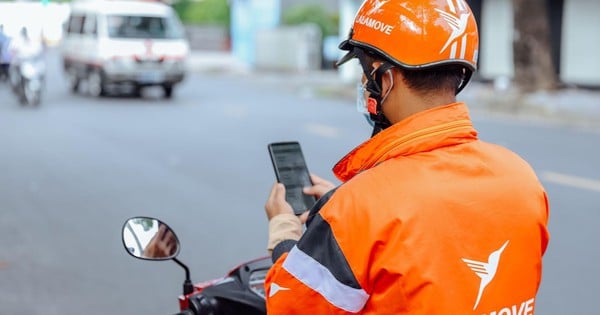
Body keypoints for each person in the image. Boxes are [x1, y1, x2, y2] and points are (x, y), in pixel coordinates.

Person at [263, 0, 550, 314]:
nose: (362, 84)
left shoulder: (358, 209)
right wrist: (343, 207)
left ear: (384, 80)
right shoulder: (522, 179)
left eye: (363, 71)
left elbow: (292, 305)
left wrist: (285, 232)